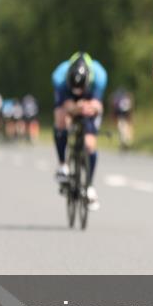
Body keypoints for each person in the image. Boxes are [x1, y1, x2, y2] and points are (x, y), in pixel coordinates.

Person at [52, 52, 108, 210]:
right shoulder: (59, 76)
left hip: (90, 100)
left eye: (80, 88)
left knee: (90, 145)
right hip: (67, 99)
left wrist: (90, 108)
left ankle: (89, 186)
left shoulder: (99, 75)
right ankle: (63, 165)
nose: (78, 91)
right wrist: (75, 108)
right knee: (61, 120)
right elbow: (65, 105)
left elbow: (97, 105)